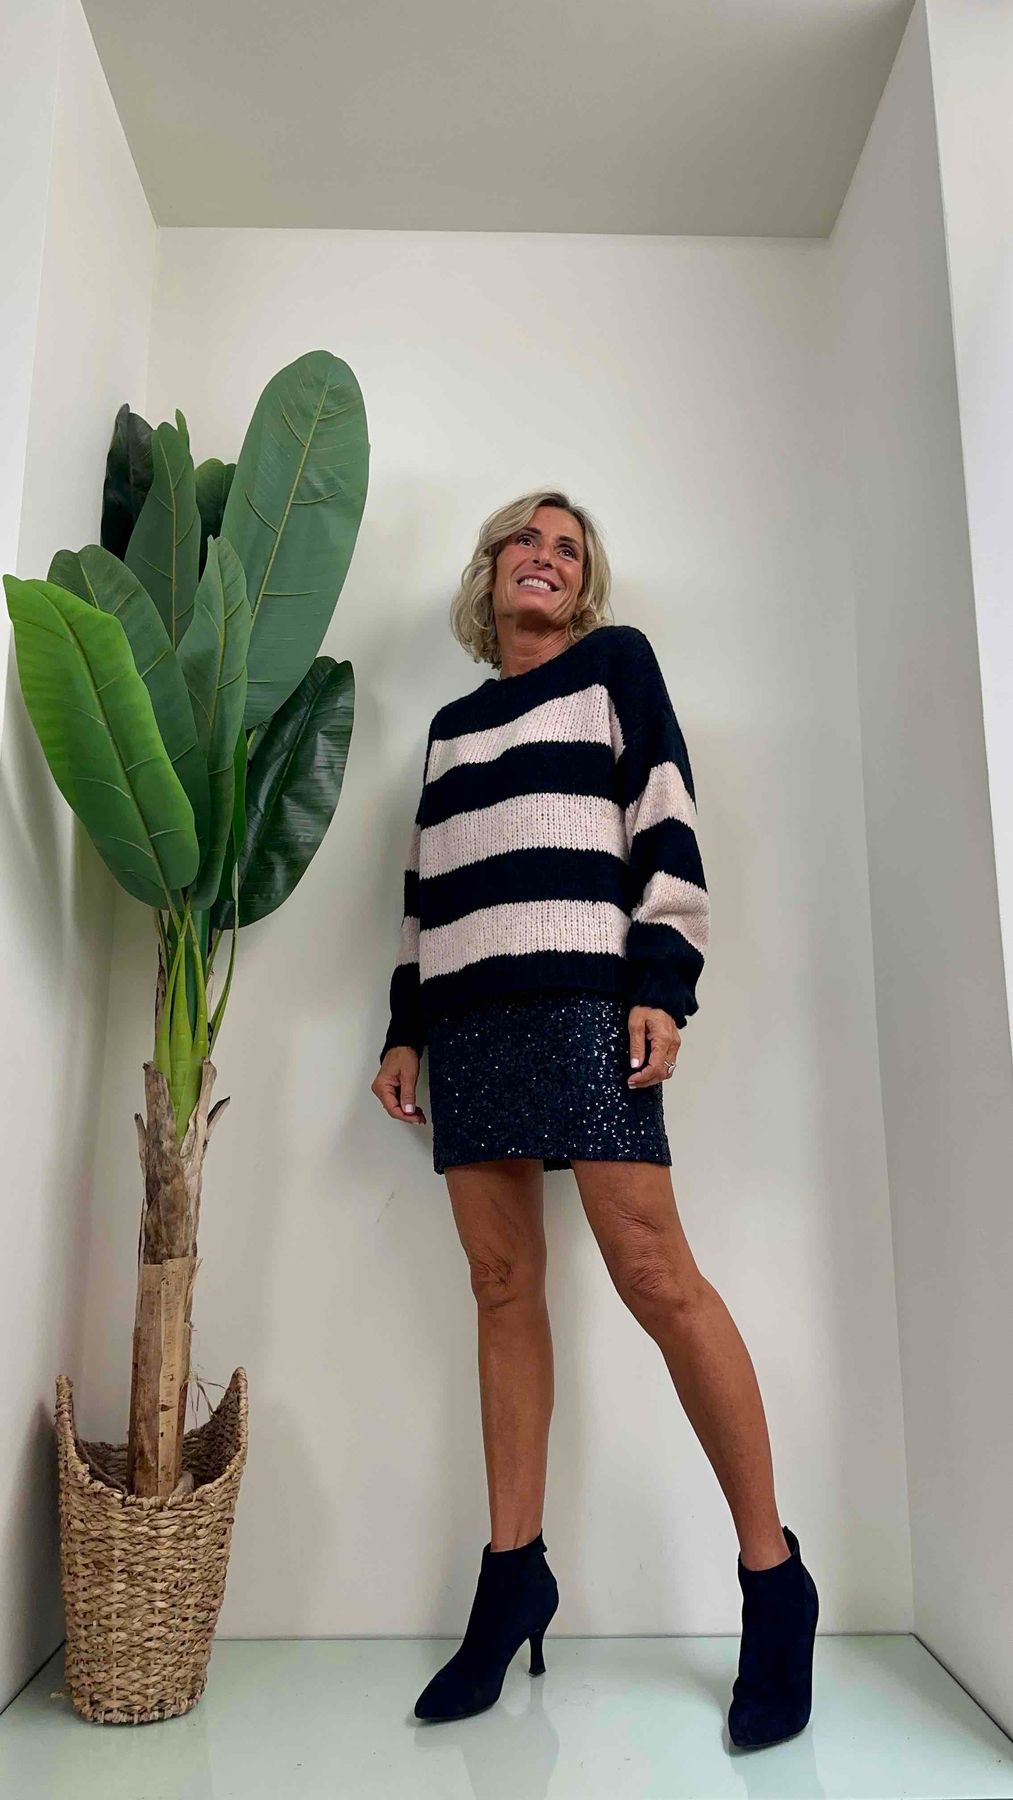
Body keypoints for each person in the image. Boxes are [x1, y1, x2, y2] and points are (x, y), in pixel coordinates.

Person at [371, 489, 819, 1747]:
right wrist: (405, 1029)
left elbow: (664, 817)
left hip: (582, 1004)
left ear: (583, 585)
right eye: (526, 539)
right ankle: (512, 1574)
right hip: (468, 1020)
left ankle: (773, 1578)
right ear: (490, 569)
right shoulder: (450, 728)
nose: (546, 557)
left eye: (567, 549)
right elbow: (421, 893)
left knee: (654, 1275)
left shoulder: (615, 666)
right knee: (500, 1285)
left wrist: (660, 986)